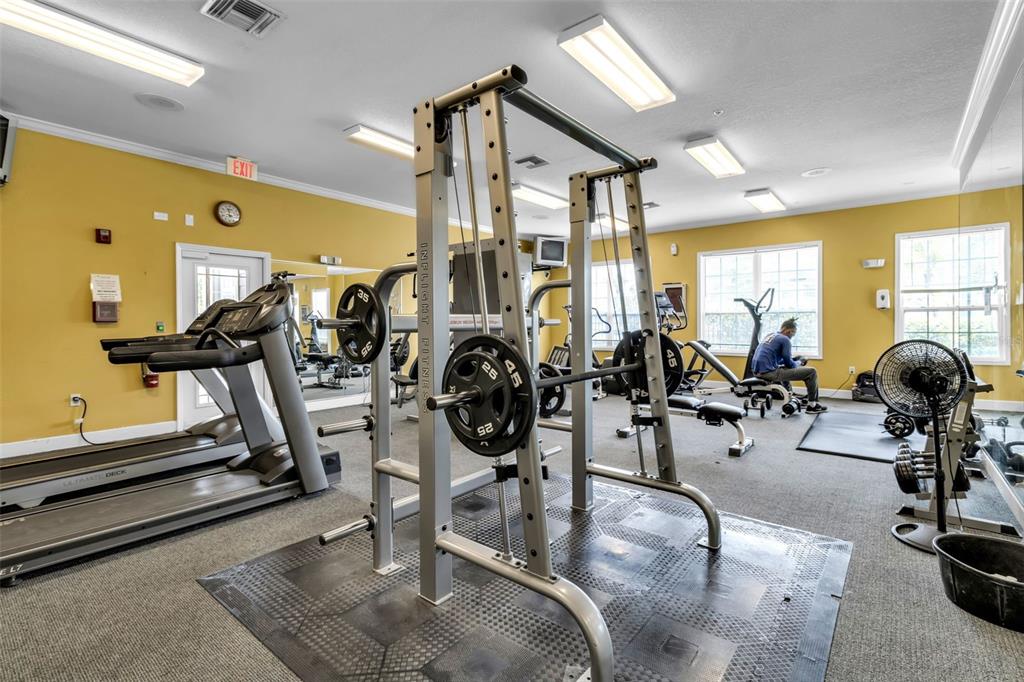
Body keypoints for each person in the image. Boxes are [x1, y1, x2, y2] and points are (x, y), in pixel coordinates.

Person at [751, 318, 828, 414]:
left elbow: (779, 360)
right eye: (793, 334)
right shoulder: (785, 339)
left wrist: (795, 359)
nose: (792, 337)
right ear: (789, 331)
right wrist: (800, 362)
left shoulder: (771, 335)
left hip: (757, 372)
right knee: (812, 372)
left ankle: (789, 395)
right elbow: (790, 364)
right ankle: (812, 405)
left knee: (784, 368)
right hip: (769, 373)